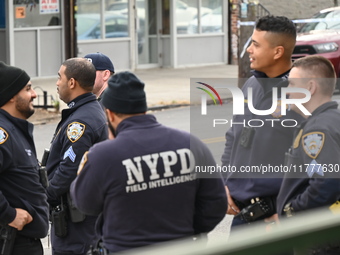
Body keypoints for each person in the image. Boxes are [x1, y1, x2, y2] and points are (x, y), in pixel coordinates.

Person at [70, 71, 228, 254]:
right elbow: (216, 204)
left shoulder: (103, 155)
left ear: (110, 115)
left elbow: (84, 203)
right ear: (144, 109)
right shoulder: (191, 144)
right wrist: (183, 233)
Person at [221, 15, 304, 226]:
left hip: (274, 218)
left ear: (277, 52)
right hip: (242, 214)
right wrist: (224, 184)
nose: (249, 49)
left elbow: (314, 161)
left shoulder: (300, 95)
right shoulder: (250, 84)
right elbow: (233, 138)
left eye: (256, 45)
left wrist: (288, 212)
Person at [275, 55, 340, 254]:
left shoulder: (318, 130)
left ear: (310, 88)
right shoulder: (331, 120)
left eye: (292, 84)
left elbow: (326, 182)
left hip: (318, 238)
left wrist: (292, 210)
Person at [46, 58, 108, 255]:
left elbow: (69, 169)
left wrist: (45, 197)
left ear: (72, 82)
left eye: (59, 77)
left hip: (77, 224)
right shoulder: (88, 111)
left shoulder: (80, 122)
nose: (57, 83)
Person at [0, 62, 49, 254]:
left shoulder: (14, 128)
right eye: (28, 89)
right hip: (14, 242)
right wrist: (9, 214)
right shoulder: (3, 133)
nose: (35, 94)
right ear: (11, 95)